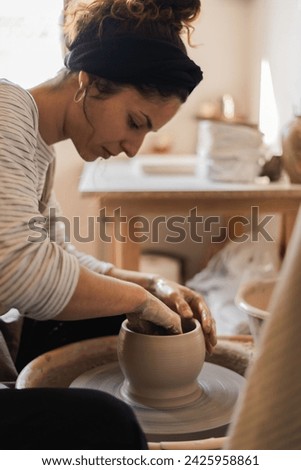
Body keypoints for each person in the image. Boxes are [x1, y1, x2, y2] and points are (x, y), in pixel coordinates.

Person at [0, 0, 216, 449]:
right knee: (106, 423)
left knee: (117, 318)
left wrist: (153, 285)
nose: (134, 147)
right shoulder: (5, 114)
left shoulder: (34, 143)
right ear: (92, 83)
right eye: (135, 122)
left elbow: (58, 258)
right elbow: (17, 271)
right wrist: (139, 300)